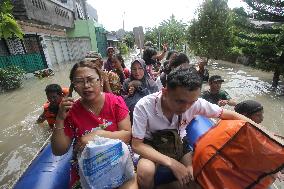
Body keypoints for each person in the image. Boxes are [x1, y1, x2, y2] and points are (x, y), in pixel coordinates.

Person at [131, 66, 255, 189]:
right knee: (145, 173)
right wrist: (172, 163)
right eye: (180, 101)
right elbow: (137, 145)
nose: (186, 108)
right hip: (152, 144)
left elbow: (229, 114)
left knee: (194, 175)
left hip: (180, 143)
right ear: (165, 92)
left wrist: (264, 132)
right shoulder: (143, 106)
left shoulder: (196, 104)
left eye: (192, 102)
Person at [51, 60, 137, 189]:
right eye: (79, 81)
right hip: (89, 168)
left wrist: (97, 134)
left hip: (118, 161)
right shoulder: (71, 111)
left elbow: (126, 135)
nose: (86, 85)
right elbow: (59, 150)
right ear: (73, 86)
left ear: (101, 81)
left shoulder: (115, 102)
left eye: (91, 79)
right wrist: (59, 118)